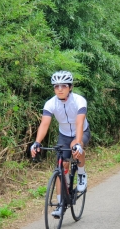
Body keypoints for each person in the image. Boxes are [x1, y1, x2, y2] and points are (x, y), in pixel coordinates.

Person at [30, 70, 90, 217]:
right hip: (63, 135)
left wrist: (78, 143)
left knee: (75, 146)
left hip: (81, 131)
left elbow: (79, 122)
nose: (60, 89)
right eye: (56, 86)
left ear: (70, 87)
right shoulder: (50, 103)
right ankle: (60, 204)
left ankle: (82, 173)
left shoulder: (79, 100)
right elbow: (44, 124)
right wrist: (37, 142)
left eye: (63, 86)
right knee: (60, 167)